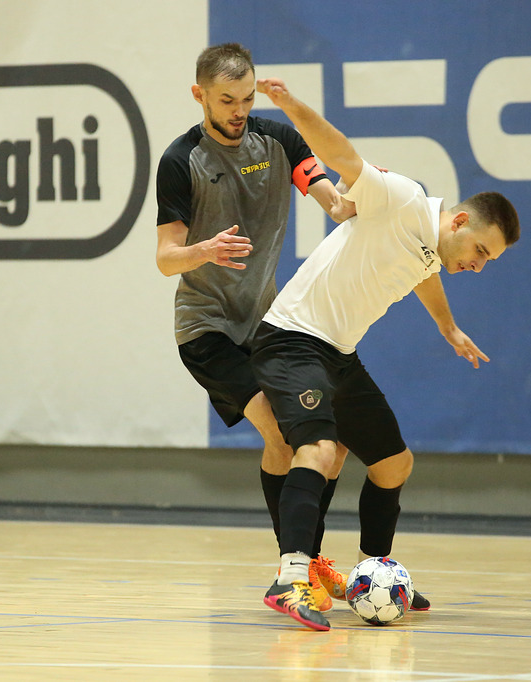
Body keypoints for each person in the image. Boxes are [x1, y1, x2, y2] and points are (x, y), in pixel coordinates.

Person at [251, 77, 521, 631]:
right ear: (460, 221)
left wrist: (448, 327)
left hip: (337, 353)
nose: (478, 264)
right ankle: (291, 577)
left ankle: (373, 574)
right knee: (320, 450)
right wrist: (292, 106)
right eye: (480, 251)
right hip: (293, 338)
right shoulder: (401, 198)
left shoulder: (430, 247)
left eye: (488, 261)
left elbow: (424, 273)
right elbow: (342, 155)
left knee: (394, 463)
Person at [154, 44, 354, 608]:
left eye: (246, 98)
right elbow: (166, 258)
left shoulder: (279, 141)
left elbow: (334, 202)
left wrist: (363, 198)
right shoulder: (180, 160)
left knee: (329, 443)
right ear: (199, 95)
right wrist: (204, 250)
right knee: (283, 434)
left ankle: (306, 561)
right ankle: (294, 573)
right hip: (206, 329)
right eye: (226, 100)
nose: (239, 110)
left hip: (266, 324)